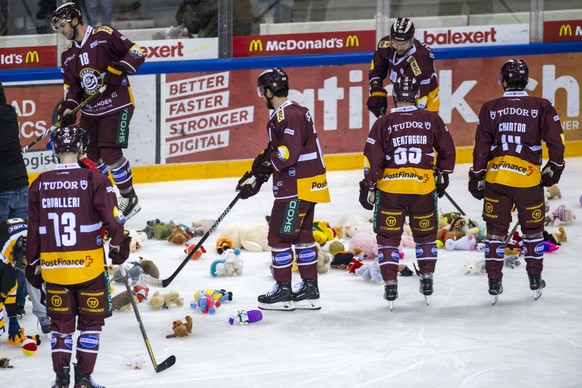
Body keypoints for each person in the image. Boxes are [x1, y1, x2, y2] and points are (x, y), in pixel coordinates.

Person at [25, 125, 131, 388]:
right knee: (90, 324)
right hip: (89, 269)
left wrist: (32, 264)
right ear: (82, 149)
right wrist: (119, 247)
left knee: (61, 327)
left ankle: (61, 381)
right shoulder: (95, 181)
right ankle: (83, 379)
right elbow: (113, 222)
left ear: (55, 150)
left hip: (54, 269)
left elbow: (34, 230)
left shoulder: (39, 184)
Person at [469, 59, 565, 304]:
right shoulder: (542, 105)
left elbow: (481, 148)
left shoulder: (490, 107)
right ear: (527, 80)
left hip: (497, 180)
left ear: (502, 81)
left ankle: (493, 282)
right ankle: (535, 279)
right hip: (529, 182)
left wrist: (477, 176)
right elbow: (557, 143)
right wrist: (554, 169)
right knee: (533, 232)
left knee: (495, 234)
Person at [236, 68, 330, 311]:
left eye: (261, 92)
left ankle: (284, 291)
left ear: (269, 91)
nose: (260, 97)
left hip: (294, 186)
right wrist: (258, 170)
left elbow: (287, 154)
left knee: (278, 237)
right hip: (310, 184)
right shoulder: (297, 111)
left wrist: (265, 170)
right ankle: (310, 289)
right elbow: (277, 149)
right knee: (302, 235)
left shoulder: (285, 116)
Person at [359, 75, 455, 310]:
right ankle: (427, 279)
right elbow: (447, 151)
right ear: (417, 96)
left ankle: (390, 283)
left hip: (391, 191)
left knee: (388, 239)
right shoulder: (431, 118)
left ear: (394, 97)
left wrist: (368, 185)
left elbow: (373, 159)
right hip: (422, 189)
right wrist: (442, 175)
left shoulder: (383, 122)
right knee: (425, 237)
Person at [52, 2, 145, 220]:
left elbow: (136, 52)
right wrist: (68, 108)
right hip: (91, 112)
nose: (62, 31)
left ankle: (129, 198)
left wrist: (119, 68)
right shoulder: (67, 56)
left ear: (75, 21)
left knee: (110, 153)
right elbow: (73, 89)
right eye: (59, 29)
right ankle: (107, 198)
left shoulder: (104, 35)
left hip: (117, 104)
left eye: (63, 26)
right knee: (91, 157)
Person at [0, 81, 51, 333]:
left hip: (1, 191)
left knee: (3, 254)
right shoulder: (9, 113)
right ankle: (27, 307)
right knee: (24, 252)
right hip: (21, 187)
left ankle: (8, 311)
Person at [367, 17, 440, 117]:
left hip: (426, 100)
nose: (399, 47)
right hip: (401, 92)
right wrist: (377, 90)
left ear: (412, 40)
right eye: (395, 42)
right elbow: (376, 71)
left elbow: (421, 100)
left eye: (403, 44)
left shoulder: (421, 61)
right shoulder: (385, 45)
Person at [0, 218, 32, 346]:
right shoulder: (4, 252)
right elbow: (8, 285)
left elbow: (11, 285)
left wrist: (12, 318)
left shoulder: (36, 242)